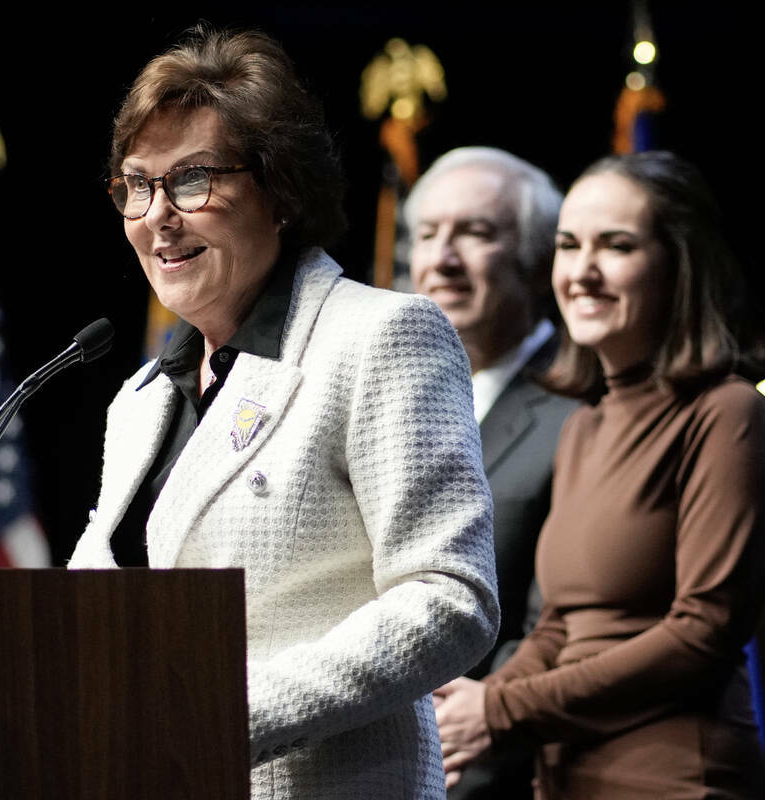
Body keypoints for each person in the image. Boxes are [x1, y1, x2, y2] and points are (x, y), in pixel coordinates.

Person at [66, 26, 499, 800]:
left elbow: (449, 596)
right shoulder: (139, 401)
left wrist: (222, 717)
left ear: (281, 187)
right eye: (136, 185)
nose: (158, 216)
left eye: (191, 179)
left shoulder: (379, 337)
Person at [434, 150, 765, 799]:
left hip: (677, 781)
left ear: (677, 265)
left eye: (615, 246)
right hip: (566, 779)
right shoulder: (585, 425)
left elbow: (703, 632)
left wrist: (503, 710)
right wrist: (473, 704)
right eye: (569, 246)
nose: (583, 273)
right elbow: (559, 625)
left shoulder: (727, 412)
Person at [406, 148, 580, 798]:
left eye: (475, 233)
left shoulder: (586, 405)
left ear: (538, 262)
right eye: (428, 235)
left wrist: (479, 728)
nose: (442, 259)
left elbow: (574, 614)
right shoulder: (388, 399)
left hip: (496, 770)